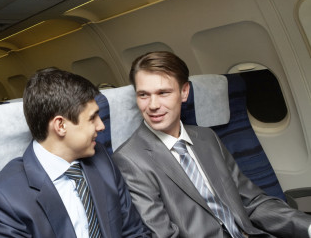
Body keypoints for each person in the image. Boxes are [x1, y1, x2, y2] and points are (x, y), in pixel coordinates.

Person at [112, 51, 311, 238]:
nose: (153, 105)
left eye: (163, 93)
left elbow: (253, 202)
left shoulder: (206, 137)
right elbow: (162, 234)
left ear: (184, 92)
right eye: (144, 95)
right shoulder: (130, 160)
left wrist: (308, 227)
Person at [0, 67, 151, 238]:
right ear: (60, 126)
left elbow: (134, 231)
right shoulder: (1, 200)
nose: (101, 126)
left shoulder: (101, 158)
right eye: (92, 118)